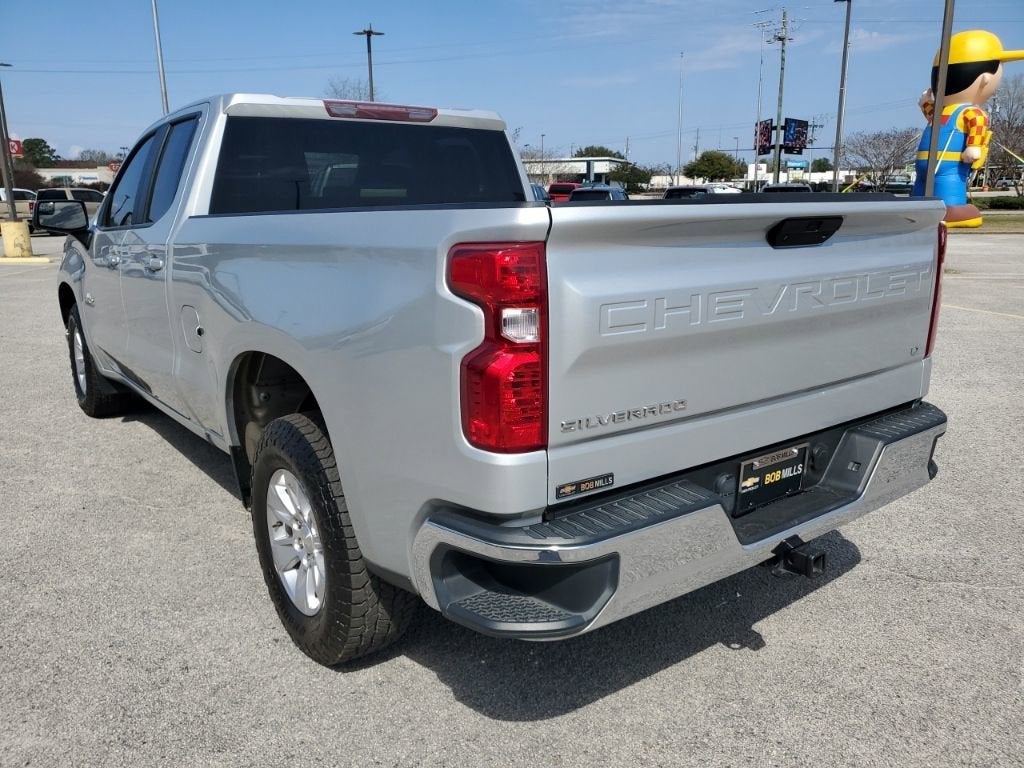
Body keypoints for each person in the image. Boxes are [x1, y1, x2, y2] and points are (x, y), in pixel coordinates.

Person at [912, 30, 1023, 227]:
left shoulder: (966, 111)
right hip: (931, 167)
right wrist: (926, 105)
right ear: (985, 79)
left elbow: (977, 127)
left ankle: (947, 209)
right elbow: (938, 120)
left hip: (948, 167)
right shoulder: (956, 111)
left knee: (946, 187)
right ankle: (925, 209)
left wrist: (974, 146)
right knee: (926, 189)